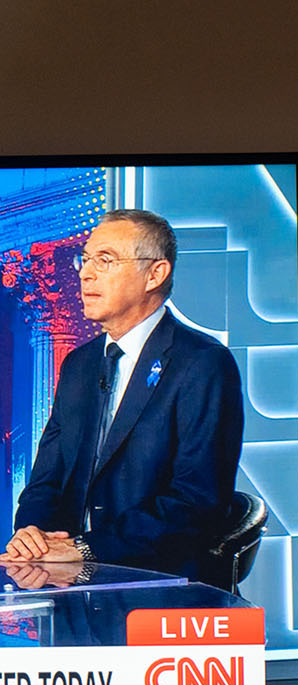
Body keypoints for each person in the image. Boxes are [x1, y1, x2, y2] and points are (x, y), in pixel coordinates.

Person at [5, 209, 244, 584]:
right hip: (68, 590)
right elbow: (45, 480)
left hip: (157, 587)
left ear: (155, 274)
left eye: (105, 260)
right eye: (84, 260)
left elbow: (197, 501)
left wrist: (87, 548)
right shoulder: (79, 365)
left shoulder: (202, 363)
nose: (85, 273)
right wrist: (30, 534)